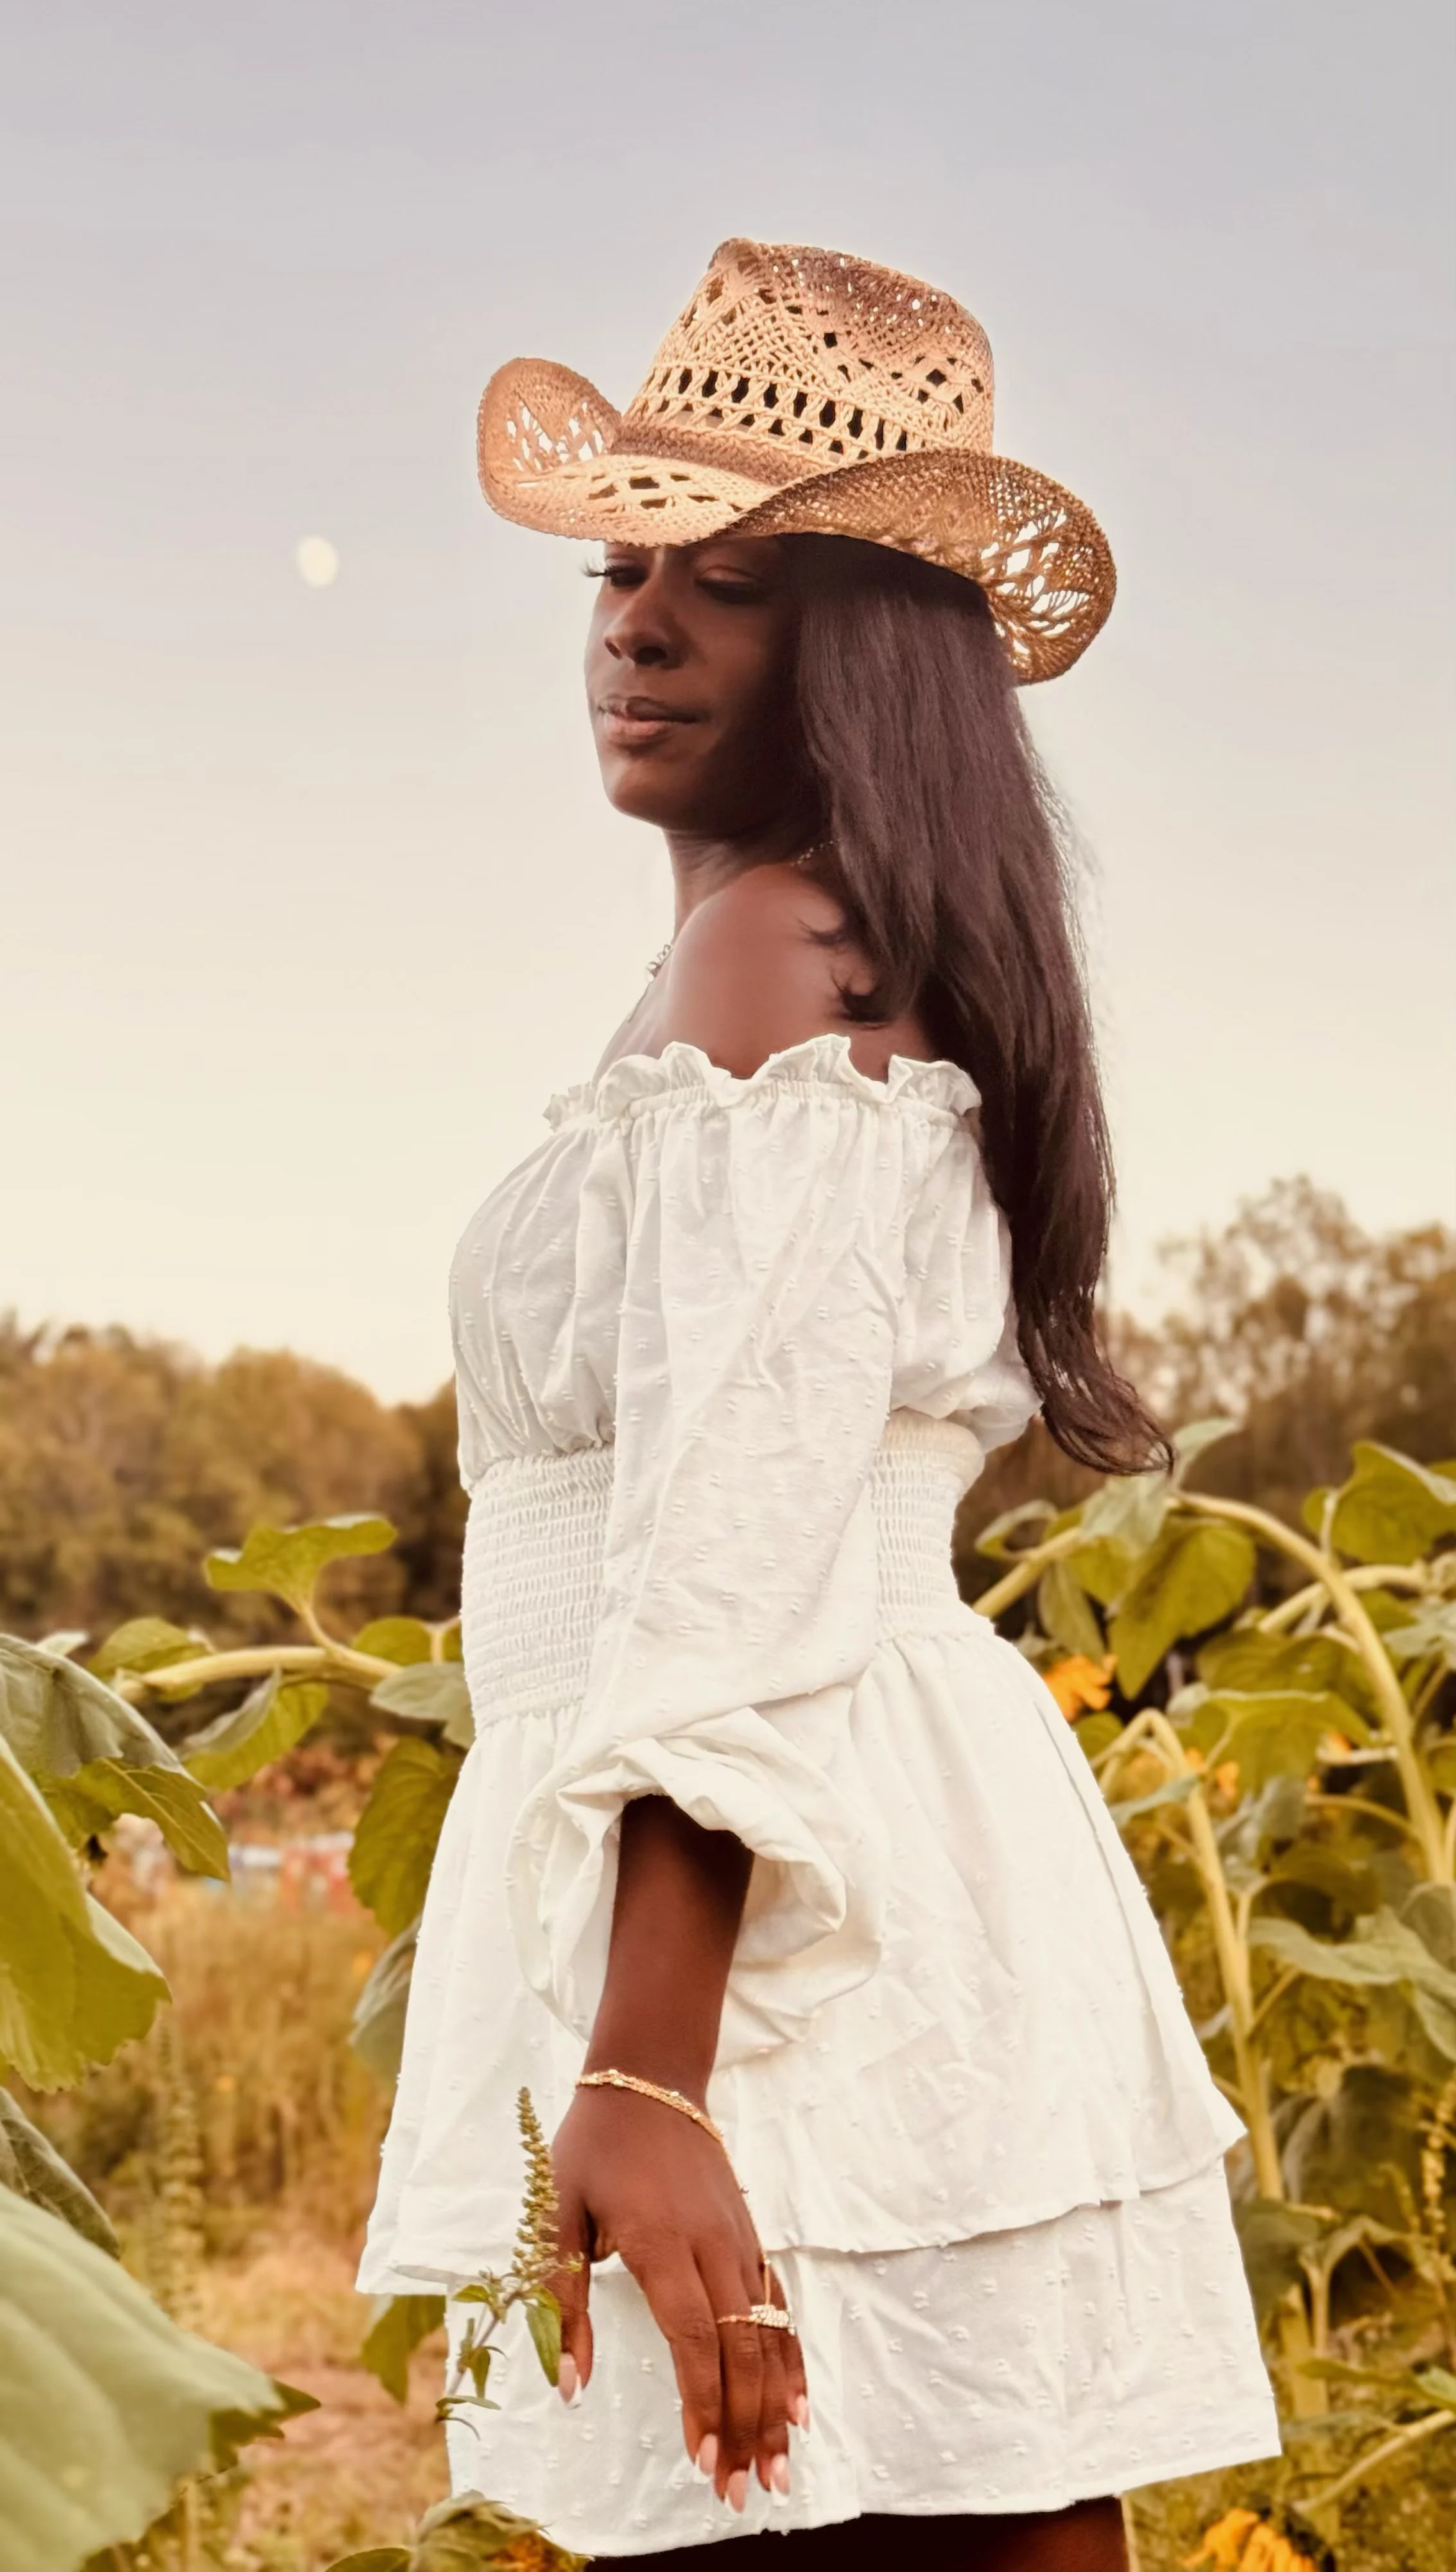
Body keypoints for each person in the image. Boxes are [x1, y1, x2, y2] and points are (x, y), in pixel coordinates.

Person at [359, 240, 1279, 2567]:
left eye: (729, 583)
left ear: (861, 648)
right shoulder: (793, 953)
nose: (638, 624)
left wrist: (649, 2064)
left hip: (766, 1902)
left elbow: (732, 1540)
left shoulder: (770, 952)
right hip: (812, 1842)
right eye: (617, 566)